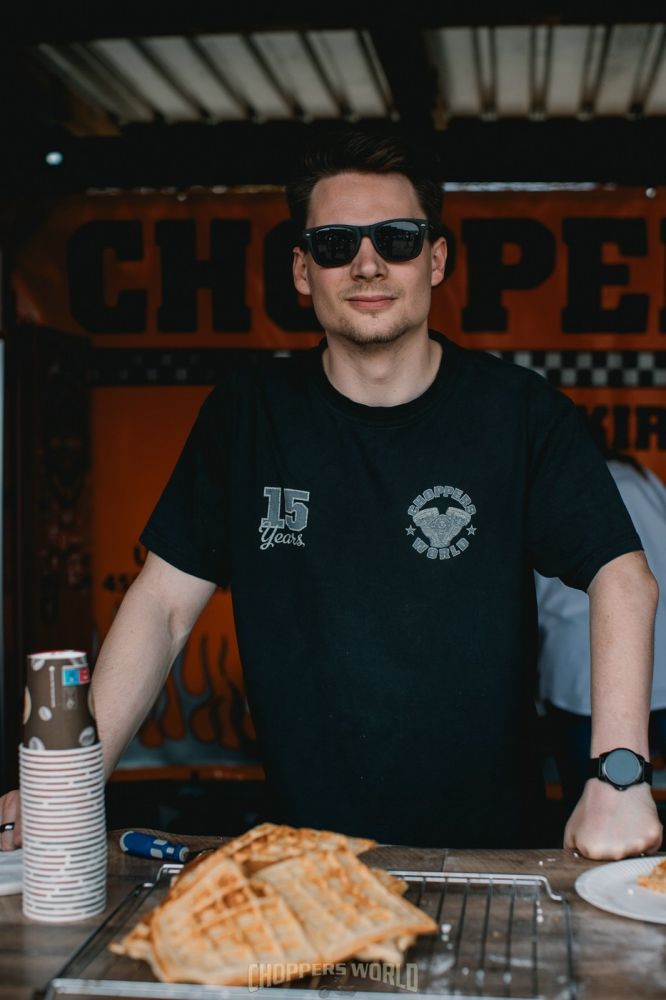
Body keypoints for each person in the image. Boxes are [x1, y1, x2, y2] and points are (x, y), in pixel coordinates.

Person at [0, 129, 662, 857]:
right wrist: (69, 784)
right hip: (305, 857)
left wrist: (619, 775)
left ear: (436, 259)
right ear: (301, 269)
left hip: (489, 856)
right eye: (336, 243)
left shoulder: (522, 413)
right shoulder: (247, 415)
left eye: (398, 239)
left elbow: (621, 574)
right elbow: (161, 605)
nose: (368, 263)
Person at [537, 451, 666, 818]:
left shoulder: (551, 483)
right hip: (657, 659)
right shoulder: (639, 479)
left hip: (579, 671)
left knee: (591, 808)